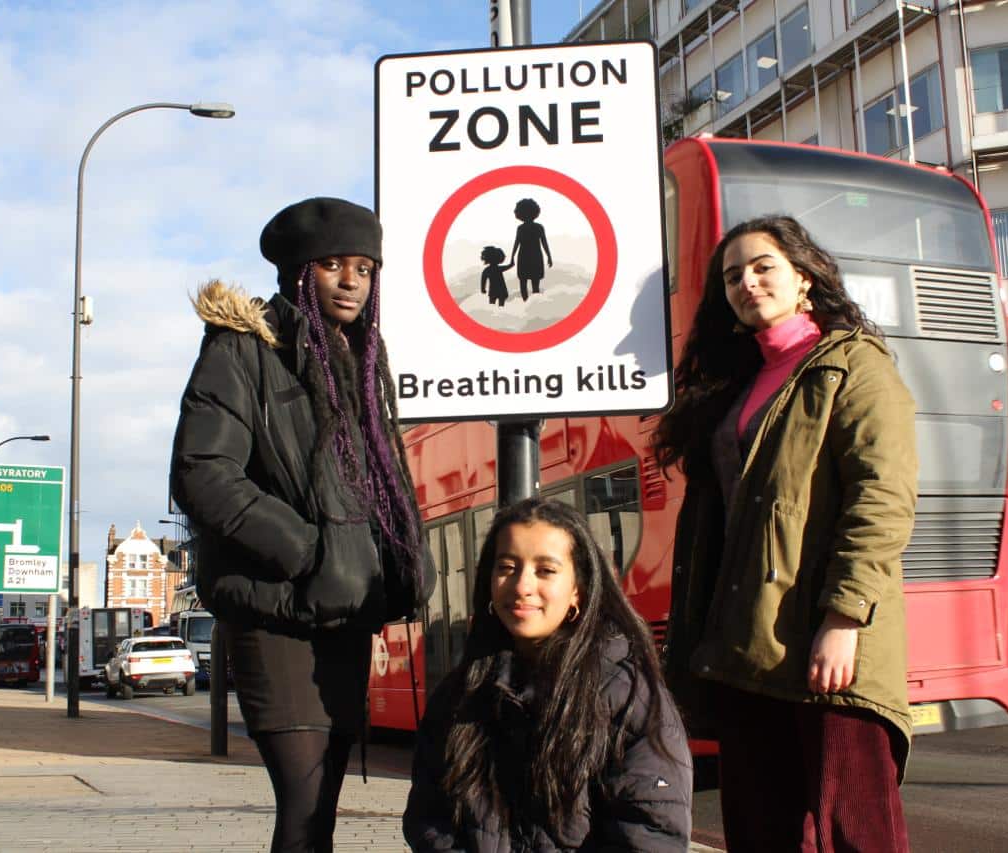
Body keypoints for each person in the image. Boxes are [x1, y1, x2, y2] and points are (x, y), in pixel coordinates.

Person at [170, 197, 432, 853]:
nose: (352, 281)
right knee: (306, 807)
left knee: (320, 812)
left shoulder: (361, 363)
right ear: (297, 273)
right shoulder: (242, 352)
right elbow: (202, 472)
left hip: (342, 615)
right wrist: (310, 551)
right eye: (334, 266)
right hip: (276, 613)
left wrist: (392, 555)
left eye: (366, 268)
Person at [653, 215, 918, 852]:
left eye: (763, 266)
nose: (746, 282)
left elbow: (880, 500)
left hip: (827, 646)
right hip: (747, 647)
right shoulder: (737, 385)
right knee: (761, 832)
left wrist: (845, 619)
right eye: (731, 275)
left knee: (854, 833)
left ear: (804, 277)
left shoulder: (853, 363)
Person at [403, 498, 692, 852]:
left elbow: (651, 833)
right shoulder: (458, 696)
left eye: (545, 570)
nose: (522, 585)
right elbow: (430, 819)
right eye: (507, 567)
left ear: (578, 591)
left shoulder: (628, 695)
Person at [510, 197, 551, 301]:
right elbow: (544, 243)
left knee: (524, 282)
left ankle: (527, 302)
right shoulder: (539, 227)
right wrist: (549, 257)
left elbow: (516, 243)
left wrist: (512, 257)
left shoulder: (521, 228)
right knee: (534, 283)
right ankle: (533, 303)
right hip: (535, 256)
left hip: (524, 257)